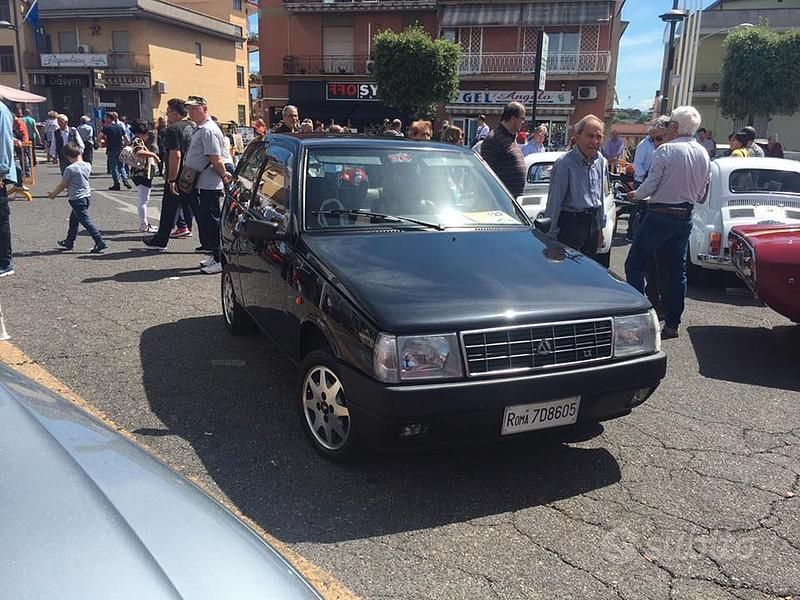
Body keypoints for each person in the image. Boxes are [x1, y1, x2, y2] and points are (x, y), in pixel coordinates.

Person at [625, 105, 710, 339]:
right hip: (685, 216)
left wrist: (635, 195)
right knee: (676, 271)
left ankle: (639, 315)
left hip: (660, 214)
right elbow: (702, 194)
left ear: (674, 126)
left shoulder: (666, 150)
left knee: (635, 263)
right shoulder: (703, 153)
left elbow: (650, 185)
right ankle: (672, 323)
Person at [543, 114, 607, 263]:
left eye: (599, 137)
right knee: (568, 271)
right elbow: (554, 202)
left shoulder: (600, 161)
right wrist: (550, 238)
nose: (595, 141)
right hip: (571, 226)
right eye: (590, 136)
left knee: (588, 269)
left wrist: (600, 229)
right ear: (577, 137)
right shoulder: (564, 164)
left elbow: (600, 196)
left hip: (592, 224)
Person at [181, 95, 231, 274]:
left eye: (195, 108)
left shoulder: (208, 130)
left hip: (209, 183)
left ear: (205, 109)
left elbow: (215, 158)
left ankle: (220, 259)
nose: (191, 112)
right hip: (201, 182)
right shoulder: (200, 128)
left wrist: (224, 175)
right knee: (206, 221)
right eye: (189, 109)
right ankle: (215, 255)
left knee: (212, 222)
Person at [144, 98, 196, 250]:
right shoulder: (193, 126)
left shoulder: (173, 129)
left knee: (169, 208)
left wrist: (172, 179)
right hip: (192, 171)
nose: (167, 115)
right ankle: (209, 242)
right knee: (195, 207)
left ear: (175, 113)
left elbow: (175, 155)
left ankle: (161, 240)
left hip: (178, 172)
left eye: (168, 112)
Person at [47, 142, 107, 254]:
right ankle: (69, 241)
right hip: (86, 196)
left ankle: (99, 240)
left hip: (76, 198)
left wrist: (54, 194)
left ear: (68, 156)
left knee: (86, 221)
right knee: (74, 220)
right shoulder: (87, 165)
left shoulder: (70, 169)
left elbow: (63, 184)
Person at [480, 101, 527, 199]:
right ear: (513, 118)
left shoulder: (510, 139)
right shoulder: (494, 139)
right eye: (522, 119)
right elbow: (485, 176)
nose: (523, 122)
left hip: (513, 200)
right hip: (500, 201)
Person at [128, 119, 161, 232]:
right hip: (142, 172)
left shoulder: (136, 139)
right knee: (143, 200)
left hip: (139, 172)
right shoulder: (138, 140)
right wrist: (153, 155)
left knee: (143, 199)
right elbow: (139, 152)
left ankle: (144, 224)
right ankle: (144, 224)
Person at [0, 101, 15, 277]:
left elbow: (4, 142)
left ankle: (4, 262)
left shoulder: (1, 110)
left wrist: (1, 171)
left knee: (1, 218)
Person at [100, 112, 131, 190]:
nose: (105, 119)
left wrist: (99, 141)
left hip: (111, 149)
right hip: (120, 149)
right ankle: (125, 180)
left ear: (109, 118)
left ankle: (116, 184)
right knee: (121, 166)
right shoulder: (119, 127)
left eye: (106, 118)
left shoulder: (107, 127)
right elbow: (126, 138)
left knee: (113, 168)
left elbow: (100, 136)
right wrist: (127, 145)